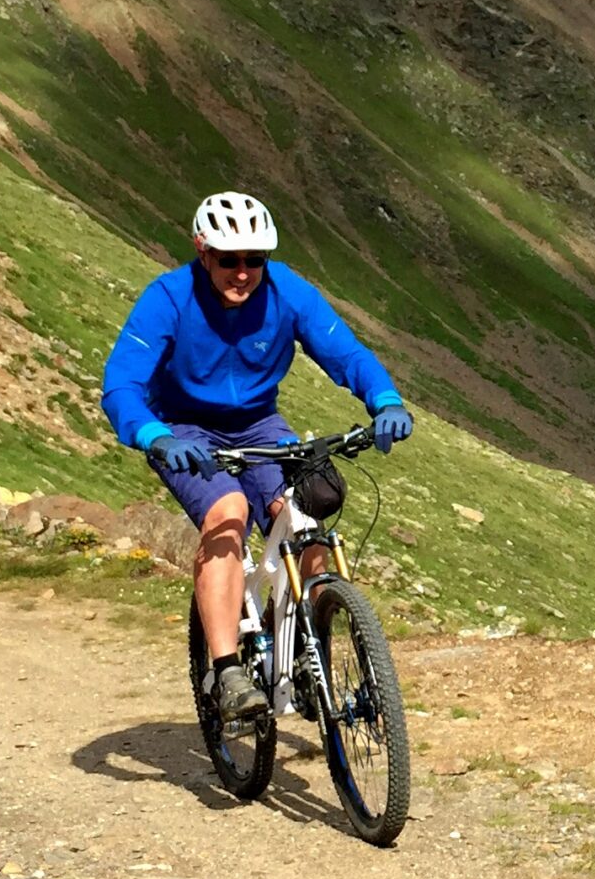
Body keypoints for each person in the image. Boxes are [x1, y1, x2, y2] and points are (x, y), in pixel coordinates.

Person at [100, 191, 413, 721]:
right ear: (203, 252)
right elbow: (121, 384)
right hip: (185, 430)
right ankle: (227, 671)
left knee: (307, 514)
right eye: (229, 259)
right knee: (229, 513)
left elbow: (345, 352)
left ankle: (296, 647)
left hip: (259, 424)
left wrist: (385, 399)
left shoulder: (287, 291)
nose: (242, 272)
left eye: (255, 259)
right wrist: (155, 436)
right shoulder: (168, 298)